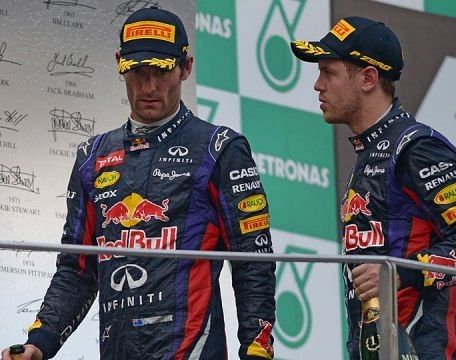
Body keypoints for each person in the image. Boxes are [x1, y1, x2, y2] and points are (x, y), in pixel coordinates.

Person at [2, 6, 275, 360]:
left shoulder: (220, 149)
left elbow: (253, 260)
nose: (149, 86)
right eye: (137, 71)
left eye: (161, 72)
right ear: (119, 64)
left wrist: (258, 348)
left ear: (186, 67)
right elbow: (77, 269)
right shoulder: (92, 155)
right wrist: (41, 341)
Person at [290, 16, 456, 360]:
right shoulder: (369, 151)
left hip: (424, 349)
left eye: (329, 73)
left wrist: (398, 272)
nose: (318, 85)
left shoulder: (416, 148)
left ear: (368, 78)